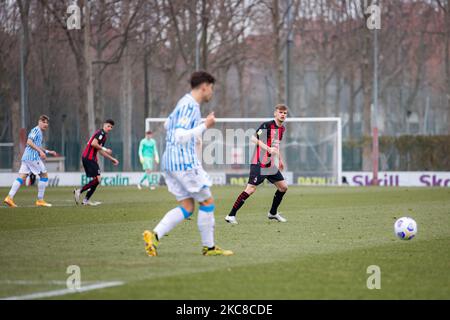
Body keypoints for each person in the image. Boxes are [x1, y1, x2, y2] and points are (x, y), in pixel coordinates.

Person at [142, 71, 233, 257]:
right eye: (211, 89)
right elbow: (179, 135)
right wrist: (205, 126)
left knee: (187, 206)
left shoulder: (182, 103)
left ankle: (154, 236)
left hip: (170, 161)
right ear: (204, 86)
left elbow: (168, 125)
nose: (211, 93)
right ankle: (209, 247)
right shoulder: (190, 106)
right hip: (182, 161)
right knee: (207, 201)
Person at [225, 104, 289, 224]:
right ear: (275, 113)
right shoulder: (268, 125)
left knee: (283, 187)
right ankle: (231, 215)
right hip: (259, 162)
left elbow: (276, 145)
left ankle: (272, 213)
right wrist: (268, 149)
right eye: (280, 112)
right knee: (250, 189)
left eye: (285, 113)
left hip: (269, 165)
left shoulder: (282, 129)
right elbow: (253, 138)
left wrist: (280, 159)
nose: (283, 115)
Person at [3, 115, 57, 207]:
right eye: (43, 122)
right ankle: (40, 200)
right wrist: (40, 152)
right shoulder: (36, 130)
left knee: (22, 177)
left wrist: (47, 151)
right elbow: (29, 142)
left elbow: (36, 145)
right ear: (39, 122)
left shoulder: (39, 132)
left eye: (47, 123)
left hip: (26, 157)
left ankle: (9, 197)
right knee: (44, 175)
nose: (45, 124)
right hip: (32, 158)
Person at [73, 119, 119, 206]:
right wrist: (106, 149)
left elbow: (99, 150)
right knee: (98, 179)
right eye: (108, 126)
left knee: (96, 180)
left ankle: (85, 200)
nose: (109, 128)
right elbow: (94, 144)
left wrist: (111, 159)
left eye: (111, 127)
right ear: (104, 125)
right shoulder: (100, 133)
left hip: (89, 158)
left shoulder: (103, 136)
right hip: (89, 158)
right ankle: (79, 191)